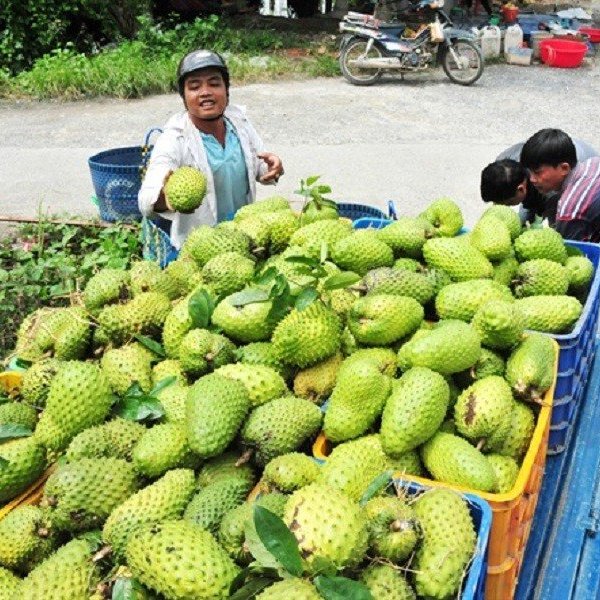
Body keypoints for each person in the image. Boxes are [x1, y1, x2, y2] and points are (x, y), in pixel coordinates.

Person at [138, 49, 284, 249]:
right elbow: (146, 200)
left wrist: (272, 167)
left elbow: (259, 165)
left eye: (214, 84)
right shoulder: (174, 138)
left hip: (244, 238)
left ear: (226, 90)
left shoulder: (239, 122)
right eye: (194, 86)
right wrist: (168, 198)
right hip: (200, 249)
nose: (205, 92)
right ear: (184, 96)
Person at [480, 129, 598, 229]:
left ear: (521, 189)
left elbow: (559, 230)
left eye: (509, 203)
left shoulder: (553, 188)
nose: (506, 208)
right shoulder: (502, 164)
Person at [520, 129, 600, 242]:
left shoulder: (570, 210)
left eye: (537, 172)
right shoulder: (594, 162)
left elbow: (573, 251)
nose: (532, 179)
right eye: (530, 172)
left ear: (564, 168)